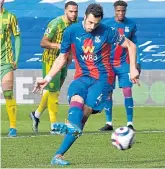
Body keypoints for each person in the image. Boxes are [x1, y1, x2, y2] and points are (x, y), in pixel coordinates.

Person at [33, 4, 139, 166]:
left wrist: (132, 69)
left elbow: (131, 45)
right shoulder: (71, 32)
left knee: (83, 114)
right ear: (85, 16)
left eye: (96, 24)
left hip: (102, 80)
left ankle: (70, 129)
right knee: (76, 103)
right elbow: (62, 57)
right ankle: (59, 154)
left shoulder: (107, 31)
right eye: (89, 22)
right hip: (81, 76)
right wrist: (47, 78)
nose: (92, 26)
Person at [30, 1, 78, 134]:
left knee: (53, 91)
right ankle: (53, 127)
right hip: (51, 61)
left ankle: (36, 114)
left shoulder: (75, 24)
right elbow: (43, 42)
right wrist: (59, 46)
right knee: (54, 93)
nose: (73, 14)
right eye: (71, 11)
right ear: (65, 11)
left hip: (63, 61)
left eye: (75, 11)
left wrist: (69, 56)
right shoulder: (56, 23)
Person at [99, 0, 141, 131]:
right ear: (114, 11)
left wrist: (136, 64)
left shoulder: (131, 25)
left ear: (125, 11)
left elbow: (134, 45)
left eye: (123, 11)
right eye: (118, 11)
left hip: (124, 63)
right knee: (108, 93)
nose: (121, 13)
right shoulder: (106, 24)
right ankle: (109, 123)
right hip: (109, 63)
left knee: (127, 91)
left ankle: (130, 123)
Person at [0, 0, 21, 137]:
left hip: (6, 61)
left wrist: (16, 59)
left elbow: (17, 38)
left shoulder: (11, 17)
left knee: (8, 93)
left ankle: (13, 127)